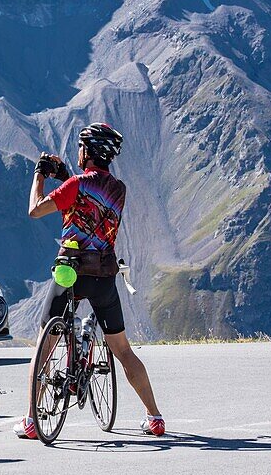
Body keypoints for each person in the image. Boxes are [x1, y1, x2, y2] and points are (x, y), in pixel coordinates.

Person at [15, 122, 166, 439]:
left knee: (45, 346)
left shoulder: (75, 185)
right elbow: (87, 196)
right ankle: (154, 417)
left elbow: (35, 210)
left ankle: (31, 421)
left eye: (82, 147)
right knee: (124, 351)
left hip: (70, 273)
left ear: (89, 150)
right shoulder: (118, 190)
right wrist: (66, 173)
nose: (79, 151)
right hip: (104, 276)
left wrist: (40, 176)